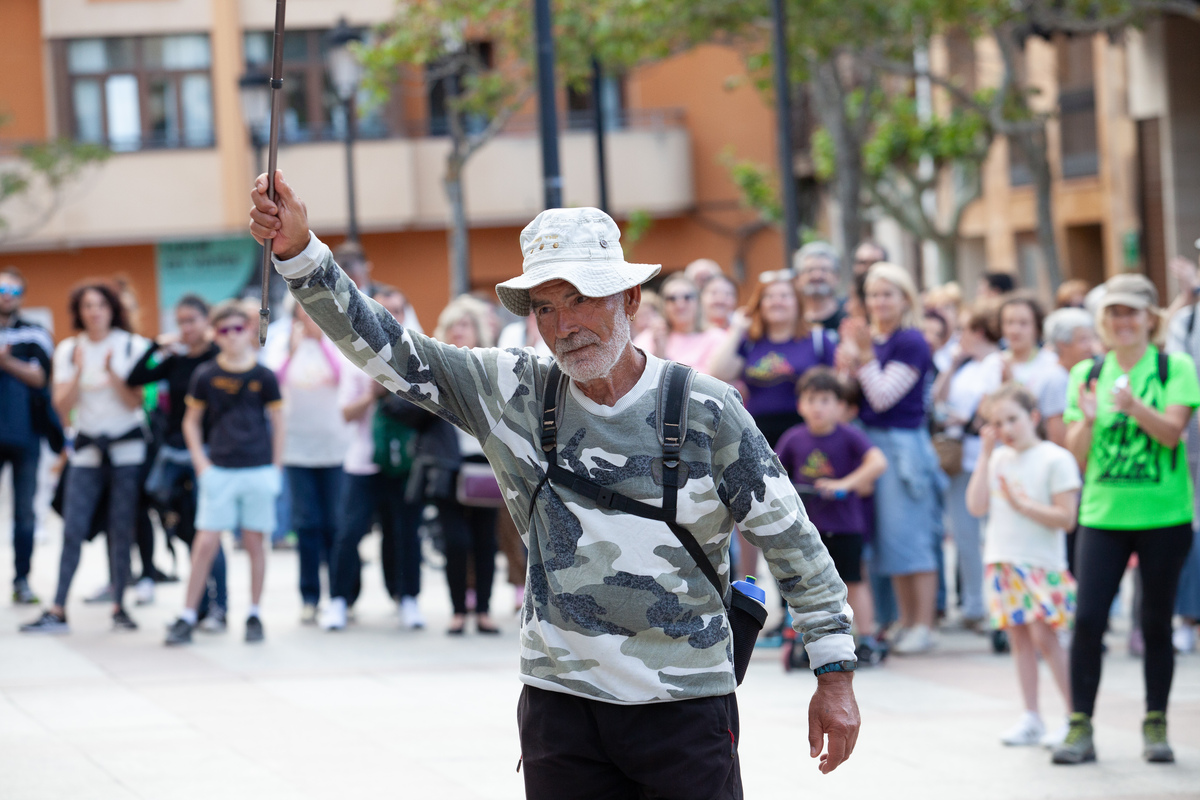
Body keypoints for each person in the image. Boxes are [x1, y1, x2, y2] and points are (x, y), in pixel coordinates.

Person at [250, 172, 860, 796]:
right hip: (561, 707)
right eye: (545, 306)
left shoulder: (705, 408)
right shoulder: (510, 391)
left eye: (580, 298)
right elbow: (391, 350)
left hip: (682, 705)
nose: (564, 324)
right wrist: (301, 253)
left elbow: (792, 541)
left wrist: (833, 672)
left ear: (629, 300)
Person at [1054, 274, 1200, 765]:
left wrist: (1133, 406)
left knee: (1155, 622)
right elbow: (1075, 455)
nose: (1123, 321)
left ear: (1150, 318)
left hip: (1164, 515)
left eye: (1132, 311)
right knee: (1089, 619)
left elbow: (1171, 434)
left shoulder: (1173, 366)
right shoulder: (1087, 373)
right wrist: (1091, 418)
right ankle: (1080, 726)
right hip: (1102, 516)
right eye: (1114, 312)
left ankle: (1155, 724)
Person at [21, 284, 148, 634]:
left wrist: (113, 375)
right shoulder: (69, 349)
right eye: (88, 306)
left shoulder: (130, 345)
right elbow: (62, 406)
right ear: (79, 311)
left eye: (101, 305)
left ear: (112, 309)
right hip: (87, 446)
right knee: (73, 527)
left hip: (126, 447)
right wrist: (79, 371)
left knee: (121, 529)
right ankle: (58, 608)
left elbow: (136, 402)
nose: (94, 312)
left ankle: (120, 605)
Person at [164, 301, 285, 645]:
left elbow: (278, 422)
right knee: (205, 543)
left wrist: (276, 467)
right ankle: (187, 615)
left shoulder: (264, 375)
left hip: (258, 468)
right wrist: (201, 464)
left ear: (249, 330)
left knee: (254, 542)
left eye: (238, 328)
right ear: (215, 336)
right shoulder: (206, 375)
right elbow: (191, 422)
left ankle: (255, 613)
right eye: (224, 331)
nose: (232, 336)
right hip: (220, 470)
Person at [966, 384, 1080, 747]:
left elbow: (1066, 518)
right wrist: (984, 456)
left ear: (1033, 417)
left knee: (1047, 639)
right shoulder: (998, 459)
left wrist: (1024, 505)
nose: (1005, 429)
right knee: (1019, 639)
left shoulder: (1055, 458)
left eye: (1012, 419)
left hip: (1042, 565)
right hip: (1004, 561)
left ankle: (1074, 716)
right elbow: (976, 506)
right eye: (997, 423)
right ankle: (1031, 716)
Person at [836, 263, 941, 655]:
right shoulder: (873, 341)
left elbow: (882, 395)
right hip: (871, 442)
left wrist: (862, 358)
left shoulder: (911, 341)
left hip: (902, 444)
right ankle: (902, 620)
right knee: (888, 538)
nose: (879, 302)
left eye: (888, 294)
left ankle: (924, 623)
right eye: (874, 294)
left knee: (911, 534)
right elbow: (855, 397)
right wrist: (847, 365)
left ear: (905, 298)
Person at [324, 286, 425, 631]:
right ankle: (339, 599)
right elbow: (346, 414)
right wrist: (372, 393)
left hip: (405, 462)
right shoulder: (354, 355)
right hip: (363, 462)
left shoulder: (418, 357)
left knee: (405, 533)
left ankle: (407, 597)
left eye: (397, 310)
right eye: (384, 310)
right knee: (349, 533)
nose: (391, 317)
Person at [126, 294, 227, 629]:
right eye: (180, 322)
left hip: (208, 456)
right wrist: (156, 345)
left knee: (208, 532)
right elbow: (135, 378)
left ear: (206, 322)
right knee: (184, 529)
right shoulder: (177, 359)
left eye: (191, 321)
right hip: (174, 455)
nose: (185, 328)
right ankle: (198, 605)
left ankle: (218, 607)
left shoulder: (219, 359)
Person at [776, 368, 888, 663]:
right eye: (811, 399)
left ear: (841, 406)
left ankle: (866, 639)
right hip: (807, 530)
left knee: (854, 581)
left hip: (845, 527)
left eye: (826, 400)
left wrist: (844, 484)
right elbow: (773, 472)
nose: (818, 407)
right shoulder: (793, 438)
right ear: (800, 405)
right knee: (806, 587)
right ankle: (806, 640)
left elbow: (878, 462)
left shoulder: (850, 436)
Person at [429, 295, 502, 635]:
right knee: (455, 542)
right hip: (448, 465)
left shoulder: (493, 367)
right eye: (453, 325)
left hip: (486, 465)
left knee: (485, 542)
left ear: (478, 331)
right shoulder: (432, 370)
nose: (459, 331)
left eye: (466, 324)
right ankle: (458, 610)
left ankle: (484, 610)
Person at [277, 303, 348, 623]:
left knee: (334, 524)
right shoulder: (283, 344)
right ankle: (309, 596)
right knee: (306, 525)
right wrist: (291, 352)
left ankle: (339, 594)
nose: (308, 320)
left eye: (312, 312)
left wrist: (320, 341)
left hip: (333, 449)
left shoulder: (334, 342)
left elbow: (341, 378)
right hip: (297, 451)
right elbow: (274, 384)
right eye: (302, 314)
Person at [933, 308, 1003, 629]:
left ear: (980, 330)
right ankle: (975, 606)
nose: (959, 337)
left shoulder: (996, 363)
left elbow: (994, 403)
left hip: (988, 454)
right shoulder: (964, 366)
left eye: (965, 330)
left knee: (996, 535)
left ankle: (996, 606)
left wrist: (970, 419)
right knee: (964, 535)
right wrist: (952, 364)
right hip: (962, 459)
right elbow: (938, 398)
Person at [709, 275, 836, 447]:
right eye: (769, 297)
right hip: (757, 433)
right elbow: (718, 373)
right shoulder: (750, 342)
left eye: (784, 296)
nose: (777, 302)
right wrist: (737, 329)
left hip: (807, 433)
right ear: (759, 304)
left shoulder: (818, 339)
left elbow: (836, 387)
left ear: (797, 303)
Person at [0, 267, 54, 605]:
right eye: (2, 289)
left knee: (24, 515)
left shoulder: (35, 333)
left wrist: (6, 363)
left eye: (14, 291)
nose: (7, 295)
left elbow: (41, 377)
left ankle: (22, 580)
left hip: (26, 438)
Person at [992, 296, 1068, 446]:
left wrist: (1011, 386)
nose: (1015, 330)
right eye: (1009, 322)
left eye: (1023, 323)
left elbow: (1056, 424)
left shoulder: (1052, 365)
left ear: (1037, 327)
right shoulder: (993, 363)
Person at [633, 273, 725, 373]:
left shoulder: (716, 337)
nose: (680, 304)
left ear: (698, 301)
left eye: (687, 297)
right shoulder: (650, 338)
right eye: (672, 298)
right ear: (663, 304)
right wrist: (659, 352)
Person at [794, 241, 847, 331]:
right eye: (810, 270)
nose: (817, 275)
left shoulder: (849, 315)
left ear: (837, 277)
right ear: (798, 278)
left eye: (824, 270)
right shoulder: (790, 320)